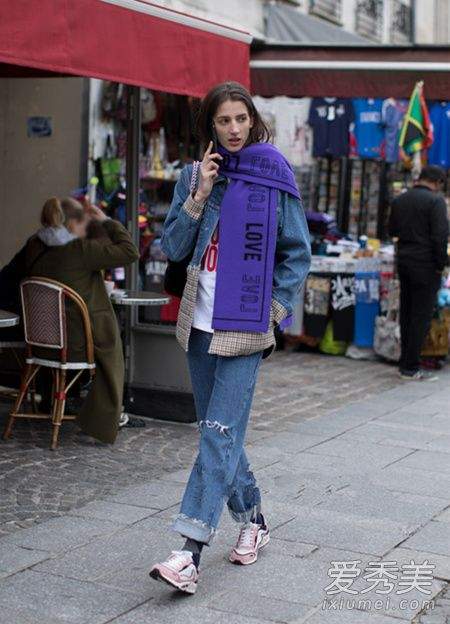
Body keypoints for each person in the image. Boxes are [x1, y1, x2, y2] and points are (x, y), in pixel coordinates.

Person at [149, 82, 311, 594]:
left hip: (245, 327)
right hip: (200, 322)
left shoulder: (273, 175)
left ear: (253, 120)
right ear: (210, 128)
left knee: (219, 429)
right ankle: (255, 519)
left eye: (241, 119)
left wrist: (274, 313)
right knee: (216, 429)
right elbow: (172, 246)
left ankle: (188, 551)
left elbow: (297, 253)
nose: (235, 129)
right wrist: (197, 196)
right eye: (224, 121)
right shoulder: (192, 177)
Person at [5, 196, 139, 443]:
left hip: (39, 344)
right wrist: (107, 222)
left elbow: (7, 276)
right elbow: (130, 252)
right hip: (75, 347)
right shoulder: (80, 250)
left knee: (76, 327)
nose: (86, 229)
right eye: (83, 223)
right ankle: (103, 419)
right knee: (110, 347)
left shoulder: (34, 245)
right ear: (72, 224)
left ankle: (50, 402)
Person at [389, 165, 449, 380]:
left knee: (406, 313)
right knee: (421, 316)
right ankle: (411, 367)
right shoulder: (435, 202)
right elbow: (440, 237)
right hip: (426, 264)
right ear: (437, 182)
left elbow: (391, 230)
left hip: (404, 261)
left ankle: (404, 363)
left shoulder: (400, 200)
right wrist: (441, 264)